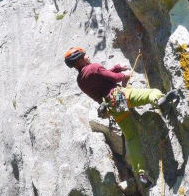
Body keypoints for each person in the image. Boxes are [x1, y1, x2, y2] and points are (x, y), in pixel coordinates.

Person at [64, 46, 176, 188]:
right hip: (119, 96)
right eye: (84, 55)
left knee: (131, 137)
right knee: (150, 93)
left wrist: (116, 68)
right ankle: (159, 101)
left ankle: (141, 173)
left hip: (111, 108)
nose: (87, 56)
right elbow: (112, 78)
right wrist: (125, 74)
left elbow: (102, 77)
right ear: (79, 60)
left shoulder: (80, 80)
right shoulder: (93, 67)